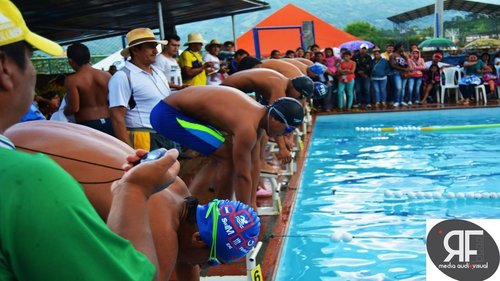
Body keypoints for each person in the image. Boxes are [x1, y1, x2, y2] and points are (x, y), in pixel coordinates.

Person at [0, 1, 177, 279]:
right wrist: (134, 191)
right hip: (111, 125)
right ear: (5, 69)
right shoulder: (24, 178)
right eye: (30, 58)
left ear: (72, 60)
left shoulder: (77, 80)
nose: (33, 72)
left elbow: (73, 108)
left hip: (89, 122)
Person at [6, 120, 261, 281]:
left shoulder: (177, 188)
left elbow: (188, 262)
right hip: (14, 165)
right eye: (207, 262)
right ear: (198, 239)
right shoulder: (160, 228)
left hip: (21, 129)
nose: (201, 266)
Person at [150, 86, 304, 208]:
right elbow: (241, 175)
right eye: (287, 129)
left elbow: (254, 162)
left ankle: (195, 204)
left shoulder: (259, 116)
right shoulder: (248, 128)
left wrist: (251, 202)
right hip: (168, 114)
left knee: (225, 155)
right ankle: (220, 212)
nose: (283, 134)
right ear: (276, 119)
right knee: (227, 156)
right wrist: (245, 214)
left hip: (176, 110)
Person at [108, 27, 172, 151]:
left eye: (156, 46)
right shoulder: (123, 76)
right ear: (135, 50)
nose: (155, 51)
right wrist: (128, 151)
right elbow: (117, 117)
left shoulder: (158, 72)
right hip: (143, 137)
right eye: (150, 47)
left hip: (165, 134)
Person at [64, 42, 114, 136]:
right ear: (89, 58)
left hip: (87, 124)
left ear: (70, 61)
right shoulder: (106, 75)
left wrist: (63, 111)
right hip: (109, 121)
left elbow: (74, 108)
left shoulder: (72, 80)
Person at [389, 42, 410, 107]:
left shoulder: (403, 55)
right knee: (398, 87)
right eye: (402, 47)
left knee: (403, 88)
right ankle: (396, 101)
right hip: (396, 73)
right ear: (398, 48)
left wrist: (406, 56)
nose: (403, 48)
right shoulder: (392, 55)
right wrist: (403, 69)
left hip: (404, 73)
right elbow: (393, 65)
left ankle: (401, 100)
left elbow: (407, 63)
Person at [353, 43, 373, 109]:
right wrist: (359, 72)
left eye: (365, 49)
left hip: (366, 75)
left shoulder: (369, 57)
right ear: (360, 49)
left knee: (367, 89)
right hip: (357, 75)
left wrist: (364, 72)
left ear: (367, 50)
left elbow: (369, 67)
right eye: (362, 48)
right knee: (358, 89)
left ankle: (368, 102)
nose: (363, 50)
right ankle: (359, 102)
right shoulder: (355, 57)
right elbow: (354, 66)